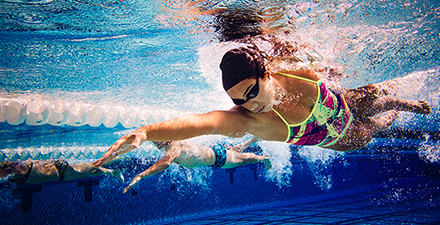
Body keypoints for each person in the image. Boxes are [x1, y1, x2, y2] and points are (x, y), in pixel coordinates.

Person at [94, 47, 431, 167]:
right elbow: (203, 122)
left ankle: (395, 100)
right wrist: (147, 132)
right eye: (239, 100)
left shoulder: (294, 69)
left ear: (267, 73)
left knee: (368, 96)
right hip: (338, 136)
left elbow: (329, 67)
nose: (250, 104)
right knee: (367, 133)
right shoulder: (250, 122)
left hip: (338, 100)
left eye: (253, 91)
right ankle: (392, 115)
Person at [120, 137, 271, 193]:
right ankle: (250, 141)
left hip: (218, 158)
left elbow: (166, 162)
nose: (157, 146)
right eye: (155, 144)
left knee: (246, 158)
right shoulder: (173, 144)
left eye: (157, 143)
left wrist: (141, 175)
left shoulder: (174, 145)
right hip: (216, 154)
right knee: (233, 154)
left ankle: (264, 157)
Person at [1, 158, 124, 184]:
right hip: (60, 174)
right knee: (88, 173)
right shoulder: (12, 177)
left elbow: (16, 163)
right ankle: (112, 172)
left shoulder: (17, 172)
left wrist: (5, 163)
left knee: (93, 165)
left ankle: (118, 156)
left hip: (60, 170)